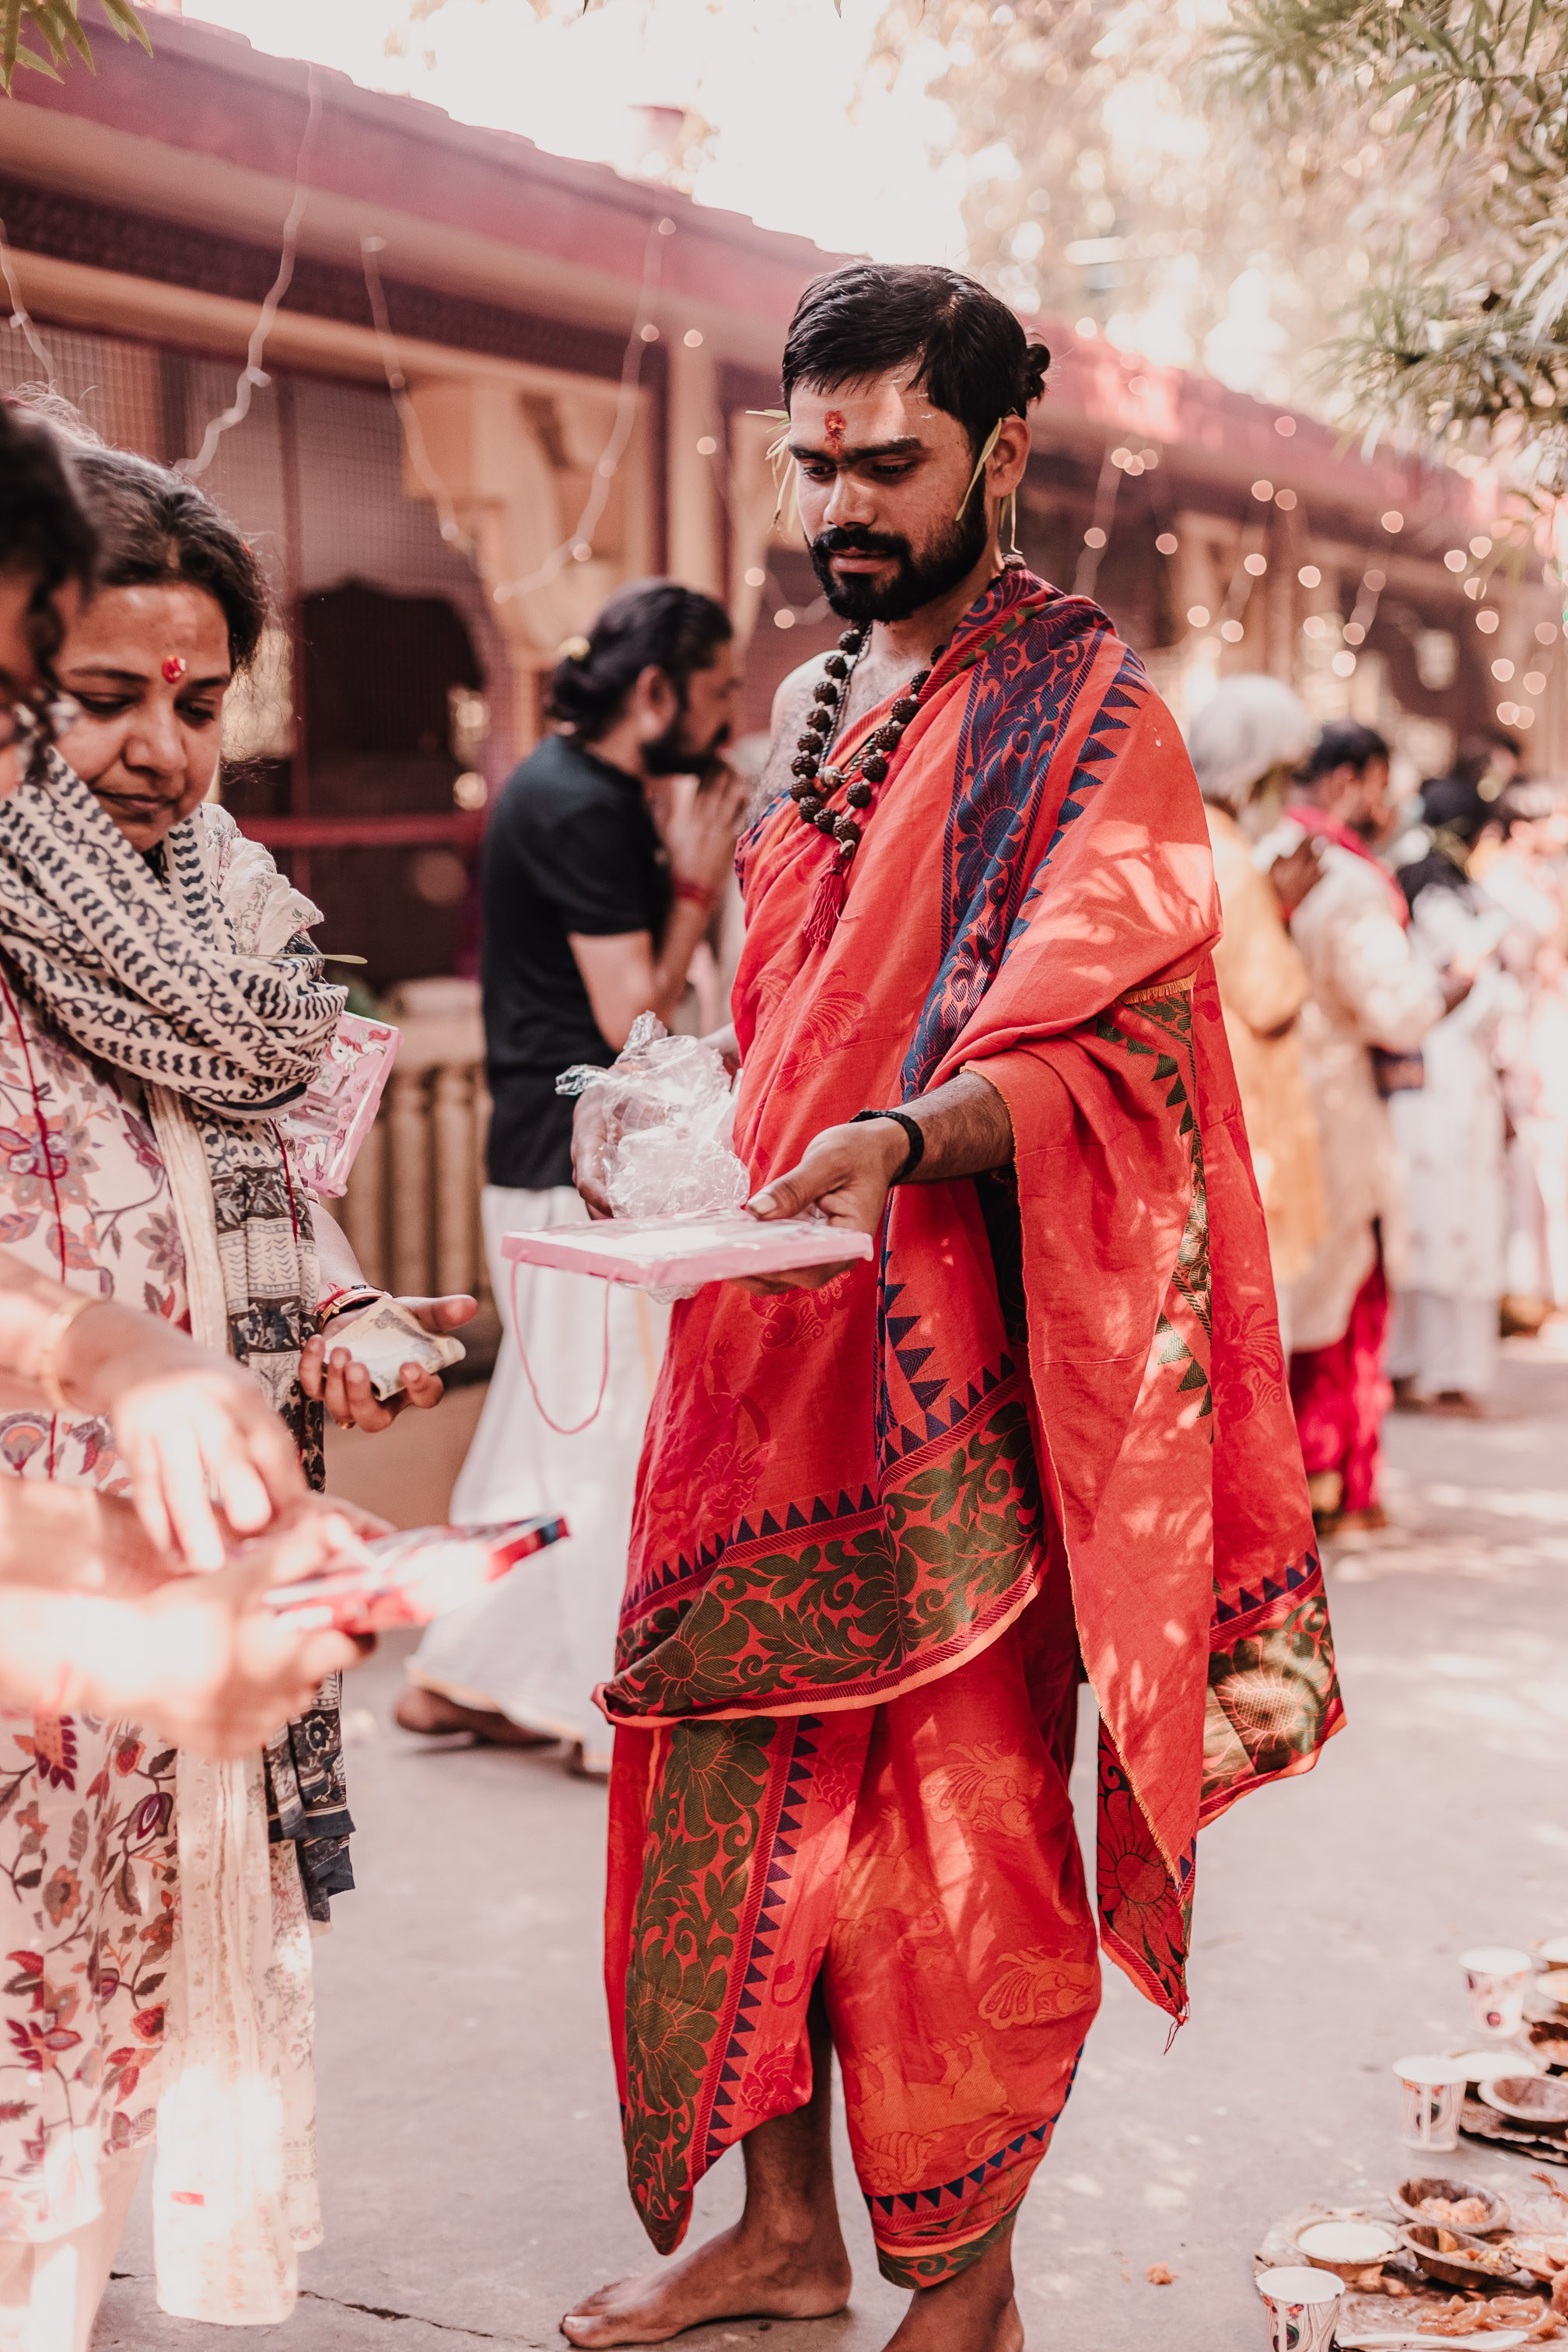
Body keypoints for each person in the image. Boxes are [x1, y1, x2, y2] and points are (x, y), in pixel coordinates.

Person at [561, 263, 1341, 2352]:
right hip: (753, 1341)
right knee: (722, 1789)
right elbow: (773, 1026)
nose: (842, 504)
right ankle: (784, 2233)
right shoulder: (816, 707)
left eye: (888, 462)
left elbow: (1116, 1062)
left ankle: (968, 2291)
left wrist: (904, 1144)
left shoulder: (1096, 718)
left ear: (1001, 454)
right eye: (814, 463)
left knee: (942, 1850)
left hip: (957, 1397)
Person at [0, 428, 471, 2346]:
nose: (164, 750)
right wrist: (117, 1362)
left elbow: (269, 1204)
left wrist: (338, 1326)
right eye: (105, 699)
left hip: (191, 1565)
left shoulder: (239, 930)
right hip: (45, 1578)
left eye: (200, 702)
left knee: (122, 2039)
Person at [399, 582, 747, 1770]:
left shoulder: (565, 788)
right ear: (656, 692)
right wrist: (696, 887)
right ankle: (621, 1716)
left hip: (544, 1160)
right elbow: (632, 1014)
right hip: (575, 1172)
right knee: (603, 1437)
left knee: (539, 1431)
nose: (730, 713)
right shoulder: (584, 805)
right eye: (717, 691)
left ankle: (459, 1673)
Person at [1279, 722, 1453, 1531]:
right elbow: (1396, 1009)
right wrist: (1446, 988)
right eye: (1382, 784)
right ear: (1353, 780)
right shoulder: (1345, 881)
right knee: (1342, 1292)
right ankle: (1328, 1479)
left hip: (1271, 1107)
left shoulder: (1254, 858)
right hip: (1336, 1109)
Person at [1186, 677, 1325, 1352]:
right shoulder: (1235, 862)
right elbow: (1270, 1002)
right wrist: (1285, 914)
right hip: (1246, 1117)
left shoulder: (1191, 838)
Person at [1385, 775, 1516, 1413]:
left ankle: (1423, 1361)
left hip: (1441, 1071)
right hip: (1444, 1071)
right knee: (1440, 1211)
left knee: (1436, 1209)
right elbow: (1470, 987)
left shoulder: (1425, 888)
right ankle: (1432, 1365)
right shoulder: (1445, 900)